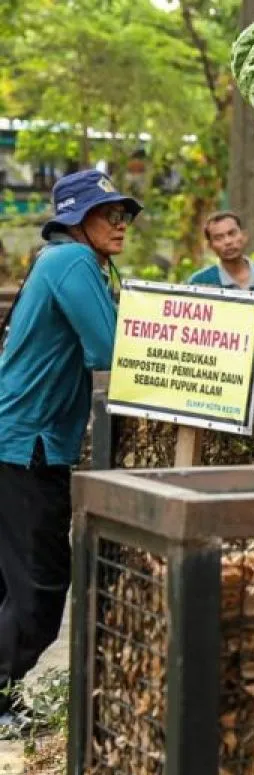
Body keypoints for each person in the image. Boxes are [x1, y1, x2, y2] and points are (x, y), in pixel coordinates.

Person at [0, 169, 138, 732]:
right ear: (78, 217)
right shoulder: (72, 262)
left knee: (10, 585)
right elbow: (107, 347)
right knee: (40, 587)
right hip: (31, 444)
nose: (121, 225)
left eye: (125, 215)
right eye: (110, 214)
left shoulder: (56, 261)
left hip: (16, 439)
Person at [186, 211, 254, 291]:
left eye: (232, 233)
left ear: (244, 236)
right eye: (218, 238)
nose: (227, 241)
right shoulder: (199, 282)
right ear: (210, 246)